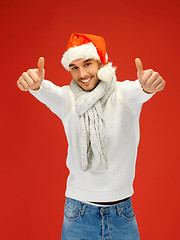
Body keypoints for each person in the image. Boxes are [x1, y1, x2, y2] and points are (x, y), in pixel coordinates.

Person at [17, 33, 165, 240]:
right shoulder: (68, 99)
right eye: (74, 67)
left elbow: (139, 90)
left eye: (87, 64)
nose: (82, 74)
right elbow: (48, 92)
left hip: (122, 212)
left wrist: (147, 87)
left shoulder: (123, 94)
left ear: (101, 62)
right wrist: (35, 84)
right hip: (78, 214)